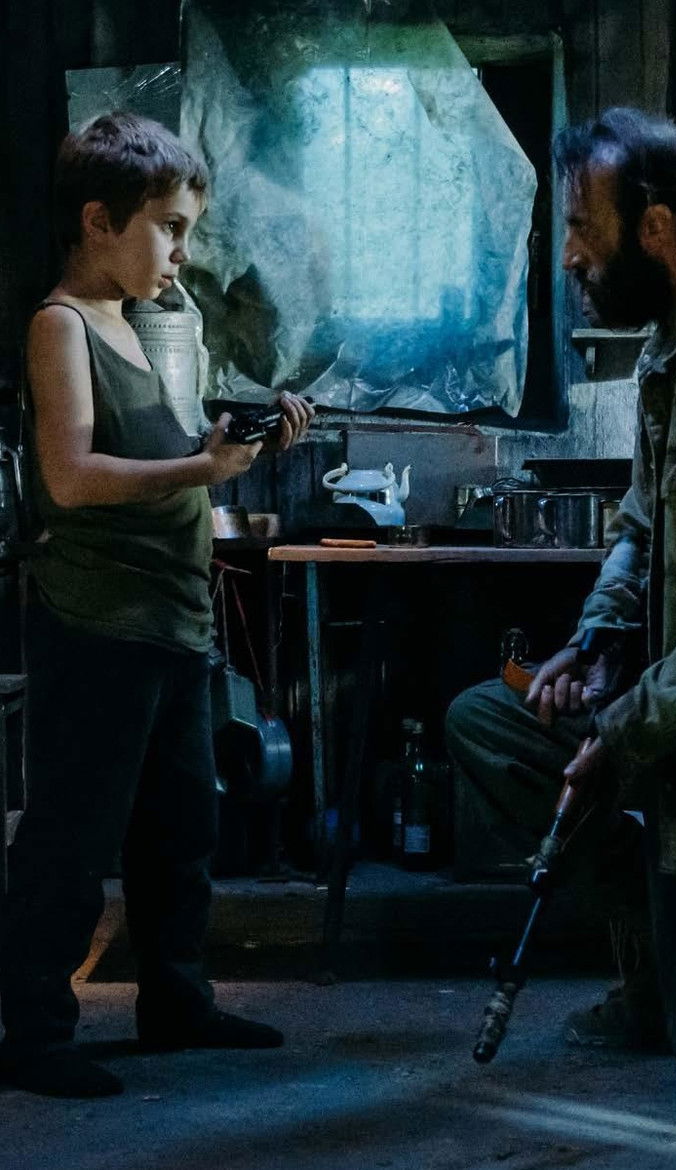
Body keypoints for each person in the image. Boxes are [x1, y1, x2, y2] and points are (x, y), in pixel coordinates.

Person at [447, 106, 676, 1094]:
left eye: (583, 227)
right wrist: (595, 644)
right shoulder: (672, 339)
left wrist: (627, 728)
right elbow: (640, 524)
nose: (569, 257)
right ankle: (651, 958)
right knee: (492, 722)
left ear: (660, 229)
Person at [0, 111, 315, 1098]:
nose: (182, 251)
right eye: (170, 227)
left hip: (171, 621)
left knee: (180, 832)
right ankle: (36, 1035)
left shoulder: (136, 324)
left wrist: (242, 440)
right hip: (98, 624)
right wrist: (202, 468)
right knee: (71, 836)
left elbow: (157, 454)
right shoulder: (60, 324)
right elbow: (72, 476)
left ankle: (176, 1000)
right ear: (99, 221)